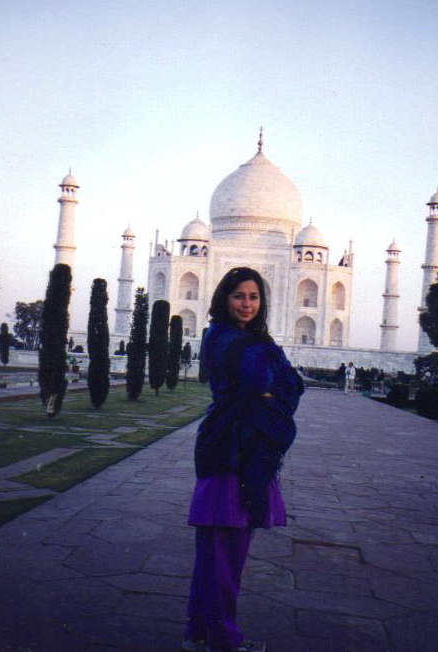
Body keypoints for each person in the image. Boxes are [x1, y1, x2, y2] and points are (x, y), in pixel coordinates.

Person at [181, 267, 304, 652]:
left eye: (253, 297)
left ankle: (199, 635)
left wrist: (275, 384)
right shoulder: (224, 337)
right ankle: (222, 640)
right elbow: (267, 380)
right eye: (239, 296)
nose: (247, 304)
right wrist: (274, 384)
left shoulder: (245, 340)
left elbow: (289, 383)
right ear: (224, 299)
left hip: (242, 449)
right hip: (232, 452)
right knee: (224, 555)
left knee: (219, 553)